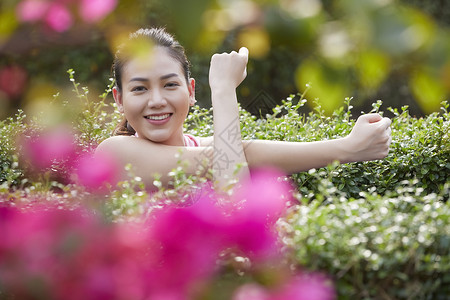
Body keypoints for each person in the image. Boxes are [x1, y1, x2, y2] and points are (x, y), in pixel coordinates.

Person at [95, 27, 392, 191]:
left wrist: (349, 147)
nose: (156, 99)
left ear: (191, 91)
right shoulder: (114, 153)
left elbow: (243, 152)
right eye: (139, 88)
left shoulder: (201, 147)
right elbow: (233, 195)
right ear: (119, 99)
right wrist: (224, 89)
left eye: (170, 84)